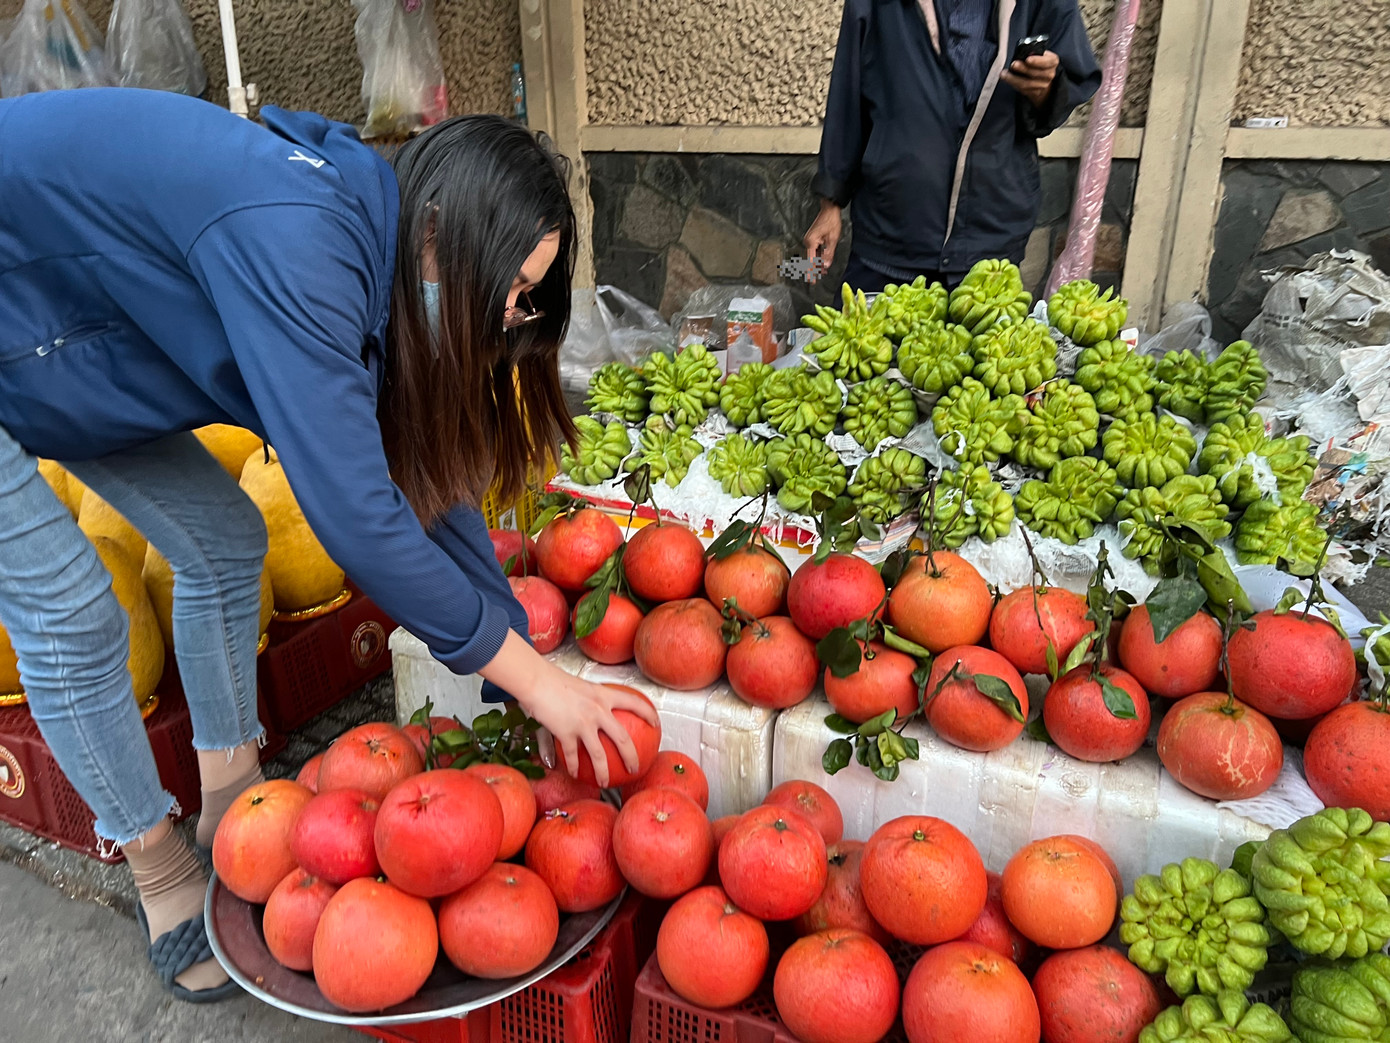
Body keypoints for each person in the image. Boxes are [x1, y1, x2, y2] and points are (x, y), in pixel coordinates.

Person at [0, 88, 656, 1002]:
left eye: (528, 302)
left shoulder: (383, 255)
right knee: (71, 609)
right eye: (514, 290)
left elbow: (424, 485)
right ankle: (157, 868)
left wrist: (515, 648)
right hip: (38, 321)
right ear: (442, 235)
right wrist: (539, 683)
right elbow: (360, 517)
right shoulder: (303, 244)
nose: (515, 316)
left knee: (225, 541)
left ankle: (231, 803)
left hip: (69, 342)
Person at [804, 0, 1102, 293]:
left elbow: (1071, 80)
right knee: (847, 321)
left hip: (990, 243)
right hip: (890, 236)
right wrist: (830, 204)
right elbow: (847, 95)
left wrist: (1046, 89)